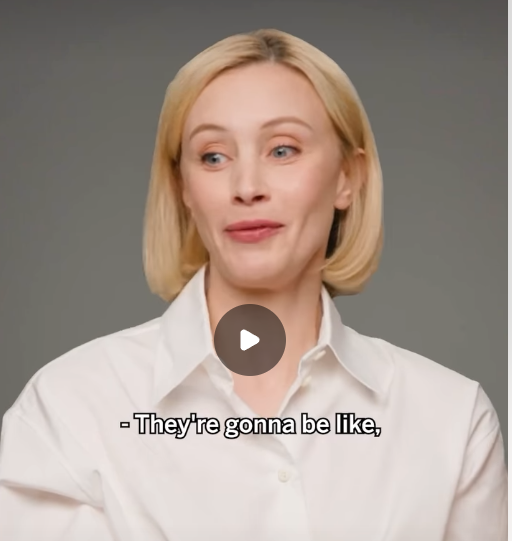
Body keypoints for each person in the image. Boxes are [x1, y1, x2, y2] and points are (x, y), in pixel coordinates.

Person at [0, 28, 507, 541]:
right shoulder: (69, 410)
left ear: (347, 178)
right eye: (213, 157)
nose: (246, 188)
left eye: (282, 150)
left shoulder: (452, 420)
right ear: (183, 189)